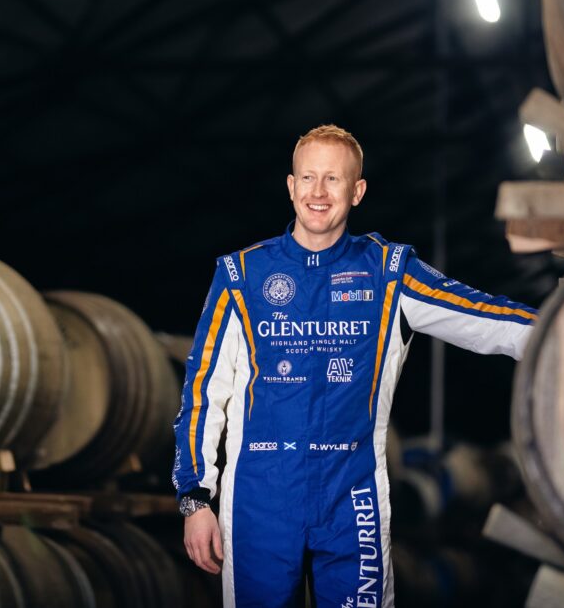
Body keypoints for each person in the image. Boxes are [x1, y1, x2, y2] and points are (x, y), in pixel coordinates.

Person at [171, 124, 536, 607]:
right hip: (259, 500)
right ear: (291, 186)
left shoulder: (389, 273)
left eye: (333, 180)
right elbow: (203, 391)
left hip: (352, 501)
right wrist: (196, 499)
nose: (318, 193)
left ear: (357, 191)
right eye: (307, 178)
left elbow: (484, 318)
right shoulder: (241, 275)